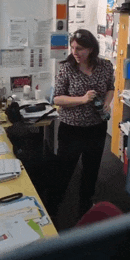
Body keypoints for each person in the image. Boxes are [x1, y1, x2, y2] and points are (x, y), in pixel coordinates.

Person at [52, 29, 115, 219]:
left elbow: (110, 87)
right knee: (65, 169)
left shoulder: (105, 66)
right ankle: (54, 205)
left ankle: (85, 203)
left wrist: (107, 103)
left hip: (96, 128)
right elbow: (57, 99)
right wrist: (82, 99)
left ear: (91, 48)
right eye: (72, 48)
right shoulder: (66, 68)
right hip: (71, 129)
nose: (75, 52)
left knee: (91, 169)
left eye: (79, 48)